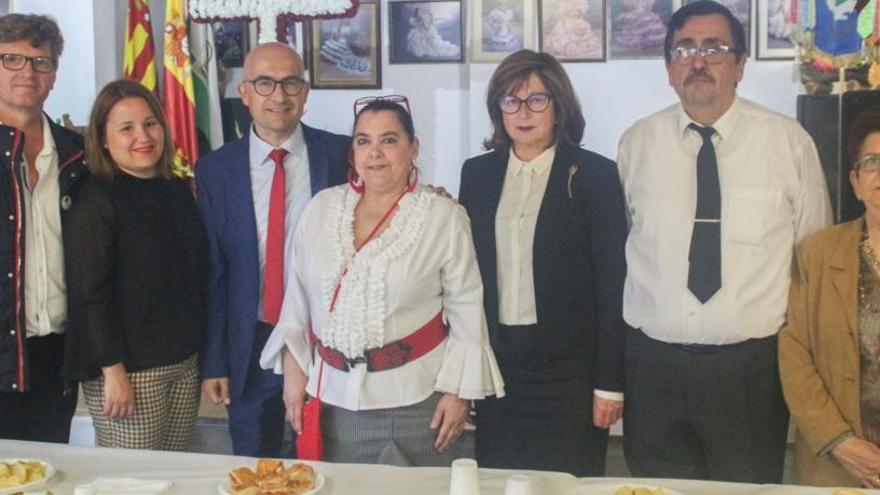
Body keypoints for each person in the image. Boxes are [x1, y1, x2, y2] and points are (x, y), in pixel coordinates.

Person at [617, 0, 832, 483]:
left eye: (714, 48)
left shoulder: (788, 143)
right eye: (684, 48)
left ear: (740, 65)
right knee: (654, 490)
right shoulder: (637, 144)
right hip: (654, 367)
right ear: (668, 68)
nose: (698, 61)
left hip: (749, 371)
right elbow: (624, 246)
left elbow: (813, 260)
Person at [260, 97, 505, 466]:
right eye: (363, 140)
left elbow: (467, 312)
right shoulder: (322, 208)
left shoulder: (442, 217)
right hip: (330, 400)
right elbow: (296, 303)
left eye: (389, 140)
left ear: (413, 148)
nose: (375, 153)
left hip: (414, 403)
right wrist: (295, 382)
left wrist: (458, 394)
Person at [458, 49, 628, 476]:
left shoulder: (594, 174)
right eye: (510, 100)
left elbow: (613, 283)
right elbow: (464, 277)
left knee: (567, 483)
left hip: (569, 373)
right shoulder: (477, 174)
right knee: (499, 480)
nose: (524, 111)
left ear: (559, 106)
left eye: (537, 99)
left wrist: (610, 382)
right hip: (500, 369)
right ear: (498, 110)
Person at [196, 42, 350, 457]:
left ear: (306, 92)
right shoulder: (214, 170)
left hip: (324, 341)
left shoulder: (341, 154)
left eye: (290, 83)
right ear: (244, 93)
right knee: (254, 463)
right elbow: (213, 272)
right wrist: (214, 361)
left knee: (324, 460)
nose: (278, 96)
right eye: (264, 83)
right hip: (250, 343)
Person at [62, 80, 205, 450]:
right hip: (130, 371)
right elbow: (89, 293)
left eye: (150, 123)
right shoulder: (94, 199)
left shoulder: (175, 190)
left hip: (182, 362)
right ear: (103, 139)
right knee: (132, 482)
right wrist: (112, 370)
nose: (142, 136)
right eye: (126, 128)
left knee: (172, 476)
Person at [779, 107, 880, 488]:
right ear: (855, 180)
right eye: (873, 162)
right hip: (836, 462)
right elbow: (795, 355)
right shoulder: (817, 254)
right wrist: (840, 442)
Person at [0, 13, 87, 443]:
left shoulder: (78, 156)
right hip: (2, 345)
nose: (27, 72)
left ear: (53, 75)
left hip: (57, 354)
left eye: (41, 62)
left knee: (51, 470)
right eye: (12, 59)